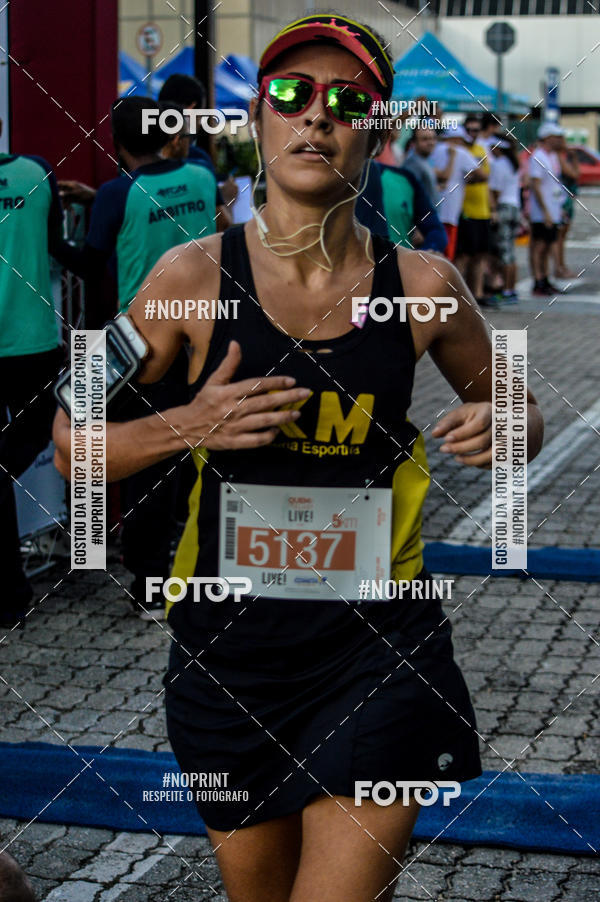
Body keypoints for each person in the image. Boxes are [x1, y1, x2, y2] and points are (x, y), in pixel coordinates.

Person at [54, 13, 544, 902]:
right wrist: (188, 425)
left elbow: (515, 406)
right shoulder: (184, 277)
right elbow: (72, 440)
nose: (316, 117)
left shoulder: (428, 284)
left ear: (377, 131)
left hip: (381, 652)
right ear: (259, 122)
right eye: (291, 94)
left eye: (347, 101)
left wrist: (505, 426)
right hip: (228, 660)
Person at [62, 97, 219, 619]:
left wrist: (46, 235)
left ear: (117, 144)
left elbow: (89, 265)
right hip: (203, 332)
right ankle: (189, 553)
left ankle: (150, 580)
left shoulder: (115, 194)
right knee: (190, 445)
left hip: (140, 343)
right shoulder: (201, 175)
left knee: (143, 459)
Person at [0, 120, 67, 628]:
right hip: (34, 342)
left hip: (29, 342)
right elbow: (56, 244)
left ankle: (10, 595)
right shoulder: (37, 174)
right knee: (51, 424)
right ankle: (10, 595)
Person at [158, 74, 236, 229]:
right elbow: (221, 224)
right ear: (192, 108)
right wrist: (228, 198)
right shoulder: (197, 162)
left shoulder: (141, 156)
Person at [429, 124, 484, 262]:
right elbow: (482, 175)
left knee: (431, 254)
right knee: (447, 256)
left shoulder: (432, 150)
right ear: (457, 139)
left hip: (431, 209)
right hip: (450, 211)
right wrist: (469, 179)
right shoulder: (461, 152)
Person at [455, 117, 493, 306]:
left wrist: (492, 207)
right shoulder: (461, 150)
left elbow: (486, 177)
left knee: (480, 255)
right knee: (463, 256)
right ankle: (459, 294)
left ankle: (476, 294)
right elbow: (472, 176)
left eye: (476, 130)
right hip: (465, 210)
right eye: (469, 130)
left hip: (482, 209)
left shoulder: (481, 149)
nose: (473, 133)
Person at [528, 122, 566, 296]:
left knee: (548, 244)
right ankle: (538, 281)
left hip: (553, 209)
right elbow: (535, 185)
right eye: (557, 137)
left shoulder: (551, 156)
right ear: (548, 138)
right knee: (539, 246)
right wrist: (545, 211)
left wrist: (558, 208)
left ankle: (545, 278)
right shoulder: (538, 157)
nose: (560, 140)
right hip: (542, 212)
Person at [489, 137, 522, 303]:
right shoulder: (512, 163)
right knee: (511, 251)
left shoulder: (499, 163)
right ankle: (511, 289)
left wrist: (492, 209)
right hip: (515, 207)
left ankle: (507, 290)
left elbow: (495, 191)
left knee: (504, 253)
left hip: (504, 208)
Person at [553, 136, 579, 279]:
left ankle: (561, 266)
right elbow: (574, 173)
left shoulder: (560, 157)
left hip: (566, 199)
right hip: (562, 200)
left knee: (562, 236)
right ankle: (559, 267)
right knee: (559, 237)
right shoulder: (558, 157)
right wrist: (574, 158)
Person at [402, 126, 439, 206]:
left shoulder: (424, 160)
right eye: (425, 139)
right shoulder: (413, 164)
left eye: (433, 138)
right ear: (414, 143)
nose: (431, 142)